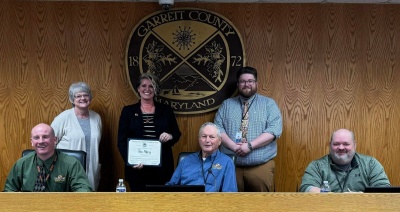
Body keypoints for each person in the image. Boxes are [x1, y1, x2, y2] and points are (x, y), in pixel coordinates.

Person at [214, 66, 283, 192]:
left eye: (250, 81)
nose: (247, 84)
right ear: (238, 84)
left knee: (261, 205)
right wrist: (234, 147)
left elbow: (274, 130)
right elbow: (217, 129)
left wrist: (250, 146)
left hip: (260, 166)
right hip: (230, 165)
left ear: (256, 83)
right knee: (231, 205)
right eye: (243, 81)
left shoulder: (269, 104)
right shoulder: (226, 105)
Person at [118, 72, 181, 192]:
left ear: (155, 89)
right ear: (138, 88)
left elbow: (176, 133)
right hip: (137, 169)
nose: (147, 89)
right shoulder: (128, 111)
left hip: (162, 168)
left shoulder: (166, 110)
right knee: (139, 206)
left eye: (151, 86)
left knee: (161, 205)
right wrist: (130, 161)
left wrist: (170, 136)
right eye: (144, 85)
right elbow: (121, 141)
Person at [3, 123, 92, 192]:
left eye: (45, 137)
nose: (41, 141)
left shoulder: (71, 163)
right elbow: (9, 190)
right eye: (36, 138)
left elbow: (83, 190)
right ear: (32, 142)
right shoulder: (22, 163)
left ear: (54, 140)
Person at [300, 129, 390, 192]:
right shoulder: (317, 166)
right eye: (336, 144)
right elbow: (306, 188)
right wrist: (334, 199)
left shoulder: (371, 164)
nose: (341, 147)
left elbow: (384, 190)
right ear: (330, 145)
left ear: (354, 145)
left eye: (346, 144)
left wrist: (360, 197)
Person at [51, 82, 102, 191]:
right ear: (72, 99)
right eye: (78, 96)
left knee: (88, 204)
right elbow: (50, 143)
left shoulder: (96, 118)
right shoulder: (63, 118)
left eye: (86, 95)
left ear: (90, 97)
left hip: (92, 170)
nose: (82, 98)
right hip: (67, 170)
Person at [166, 122, 237, 192]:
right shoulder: (186, 160)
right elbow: (171, 186)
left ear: (219, 141)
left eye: (212, 137)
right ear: (199, 139)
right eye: (204, 136)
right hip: (185, 200)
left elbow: (229, 194)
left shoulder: (226, 162)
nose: (207, 140)